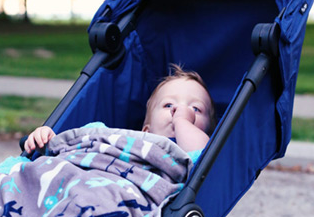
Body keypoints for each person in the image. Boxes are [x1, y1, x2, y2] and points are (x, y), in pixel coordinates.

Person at [24, 65, 214, 156]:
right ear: (146, 130)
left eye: (195, 109)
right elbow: (78, 145)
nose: (179, 111)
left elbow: (202, 152)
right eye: (168, 105)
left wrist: (183, 122)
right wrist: (49, 138)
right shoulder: (129, 139)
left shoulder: (191, 154)